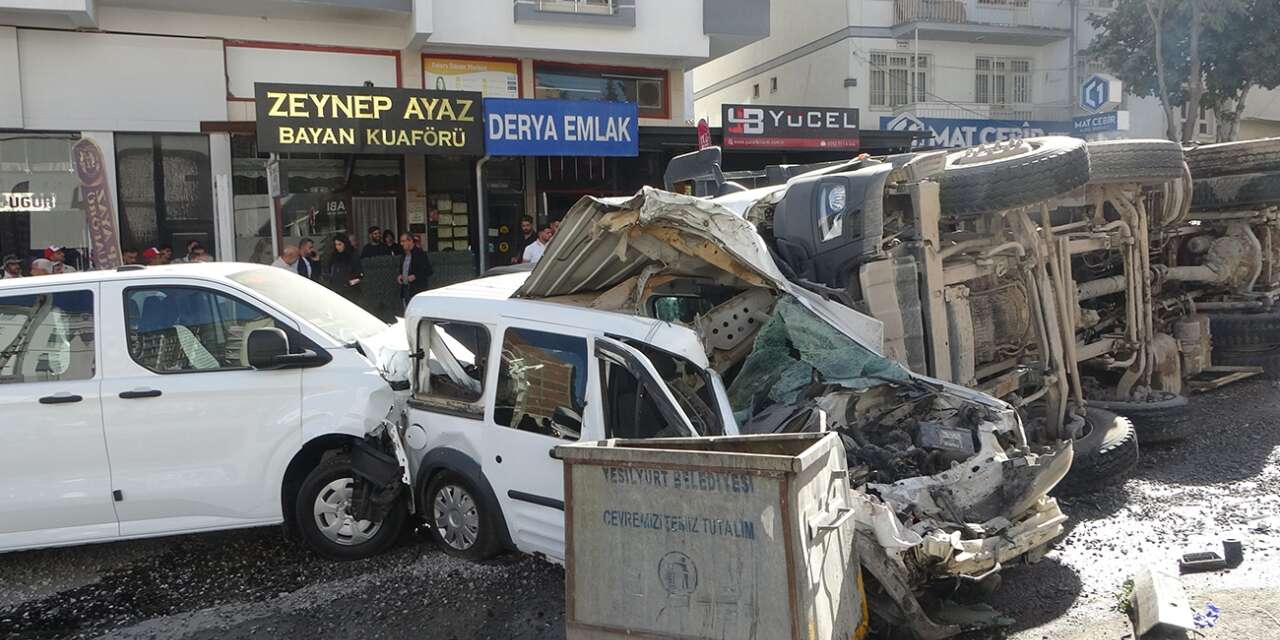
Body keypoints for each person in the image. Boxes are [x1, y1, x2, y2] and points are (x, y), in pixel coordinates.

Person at [397, 232, 432, 305]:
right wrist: (400, 275)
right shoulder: (403, 255)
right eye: (401, 241)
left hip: (417, 290)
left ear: (410, 241)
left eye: (403, 241)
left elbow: (428, 270)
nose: (401, 244)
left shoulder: (420, 254)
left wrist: (415, 276)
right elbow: (403, 269)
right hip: (405, 289)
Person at [325, 234, 362, 301]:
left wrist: (349, 283)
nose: (337, 247)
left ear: (345, 244)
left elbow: (360, 275)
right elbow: (331, 271)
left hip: (350, 292)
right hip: (336, 290)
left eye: (340, 244)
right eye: (336, 244)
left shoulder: (352, 255)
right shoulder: (334, 256)